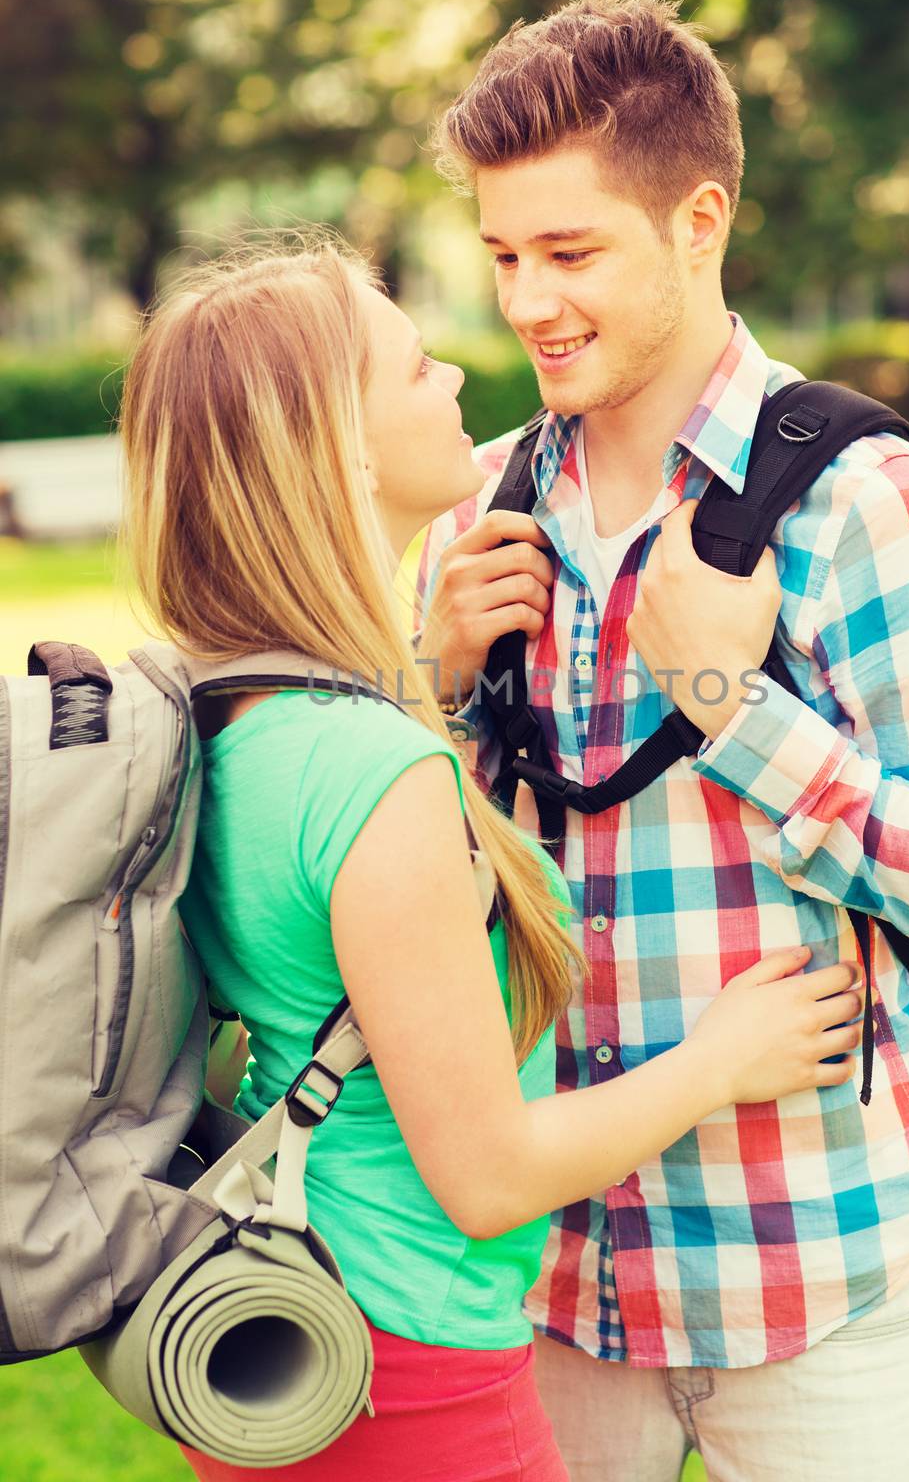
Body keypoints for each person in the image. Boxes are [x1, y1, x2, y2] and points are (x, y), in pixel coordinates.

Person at [415, 0, 909, 1482]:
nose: (526, 303)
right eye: (503, 255)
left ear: (697, 222)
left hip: (815, 1284)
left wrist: (729, 705)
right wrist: (433, 687)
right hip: (554, 1285)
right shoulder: (480, 515)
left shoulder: (865, 499)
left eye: (570, 253)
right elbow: (425, 906)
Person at [118, 235, 866, 1482]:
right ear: (340, 451)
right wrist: (723, 1060)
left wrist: (433, 676)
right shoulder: (374, 773)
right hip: (408, 1378)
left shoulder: (235, 712)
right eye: (415, 369)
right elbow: (487, 1176)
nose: (460, 380)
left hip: (286, 1321)